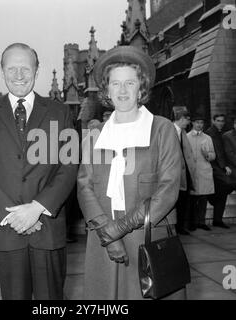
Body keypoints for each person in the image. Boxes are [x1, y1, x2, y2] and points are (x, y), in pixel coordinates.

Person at [0, 43, 77, 300]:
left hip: (47, 230)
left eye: (25, 68)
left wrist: (37, 208)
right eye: (12, 68)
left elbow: (69, 166)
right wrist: (15, 217)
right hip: (6, 231)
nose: (19, 75)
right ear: (2, 71)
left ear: (36, 71)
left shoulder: (60, 112)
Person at [77, 46, 184, 299]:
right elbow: (85, 187)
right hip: (103, 238)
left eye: (129, 83)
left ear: (141, 88)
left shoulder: (162, 129)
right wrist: (108, 233)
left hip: (146, 234)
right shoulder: (94, 136)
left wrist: (120, 228)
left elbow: (168, 189)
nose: (122, 91)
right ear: (107, 90)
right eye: (115, 83)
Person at [187, 115, 215, 231]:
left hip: (204, 171)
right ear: (192, 123)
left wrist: (207, 154)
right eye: (197, 122)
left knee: (203, 198)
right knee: (192, 200)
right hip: (192, 171)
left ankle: (201, 222)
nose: (199, 125)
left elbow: (213, 155)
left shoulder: (208, 138)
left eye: (202, 122)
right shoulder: (187, 137)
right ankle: (191, 222)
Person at [206, 114, 234, 228]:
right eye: (218, 121)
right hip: (214, 166)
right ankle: (212, 198)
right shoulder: (210, 133)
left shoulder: (220, 132)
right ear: (213, 121)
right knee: (228, 183)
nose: (221, 123)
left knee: (223, 192)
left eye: (222, 121)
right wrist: (224, 166)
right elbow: (217, 152)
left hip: (219, 166)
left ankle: (218, 220)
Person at [173, 108, 196, 235]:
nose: (189, 123)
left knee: (183, 201)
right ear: (182, 119)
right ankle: (175, 227)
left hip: (184, 173)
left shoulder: (182, 132)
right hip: (174, 173)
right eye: (188, 120)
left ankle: (180, 227)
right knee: (175, 202)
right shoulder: (169, 130)